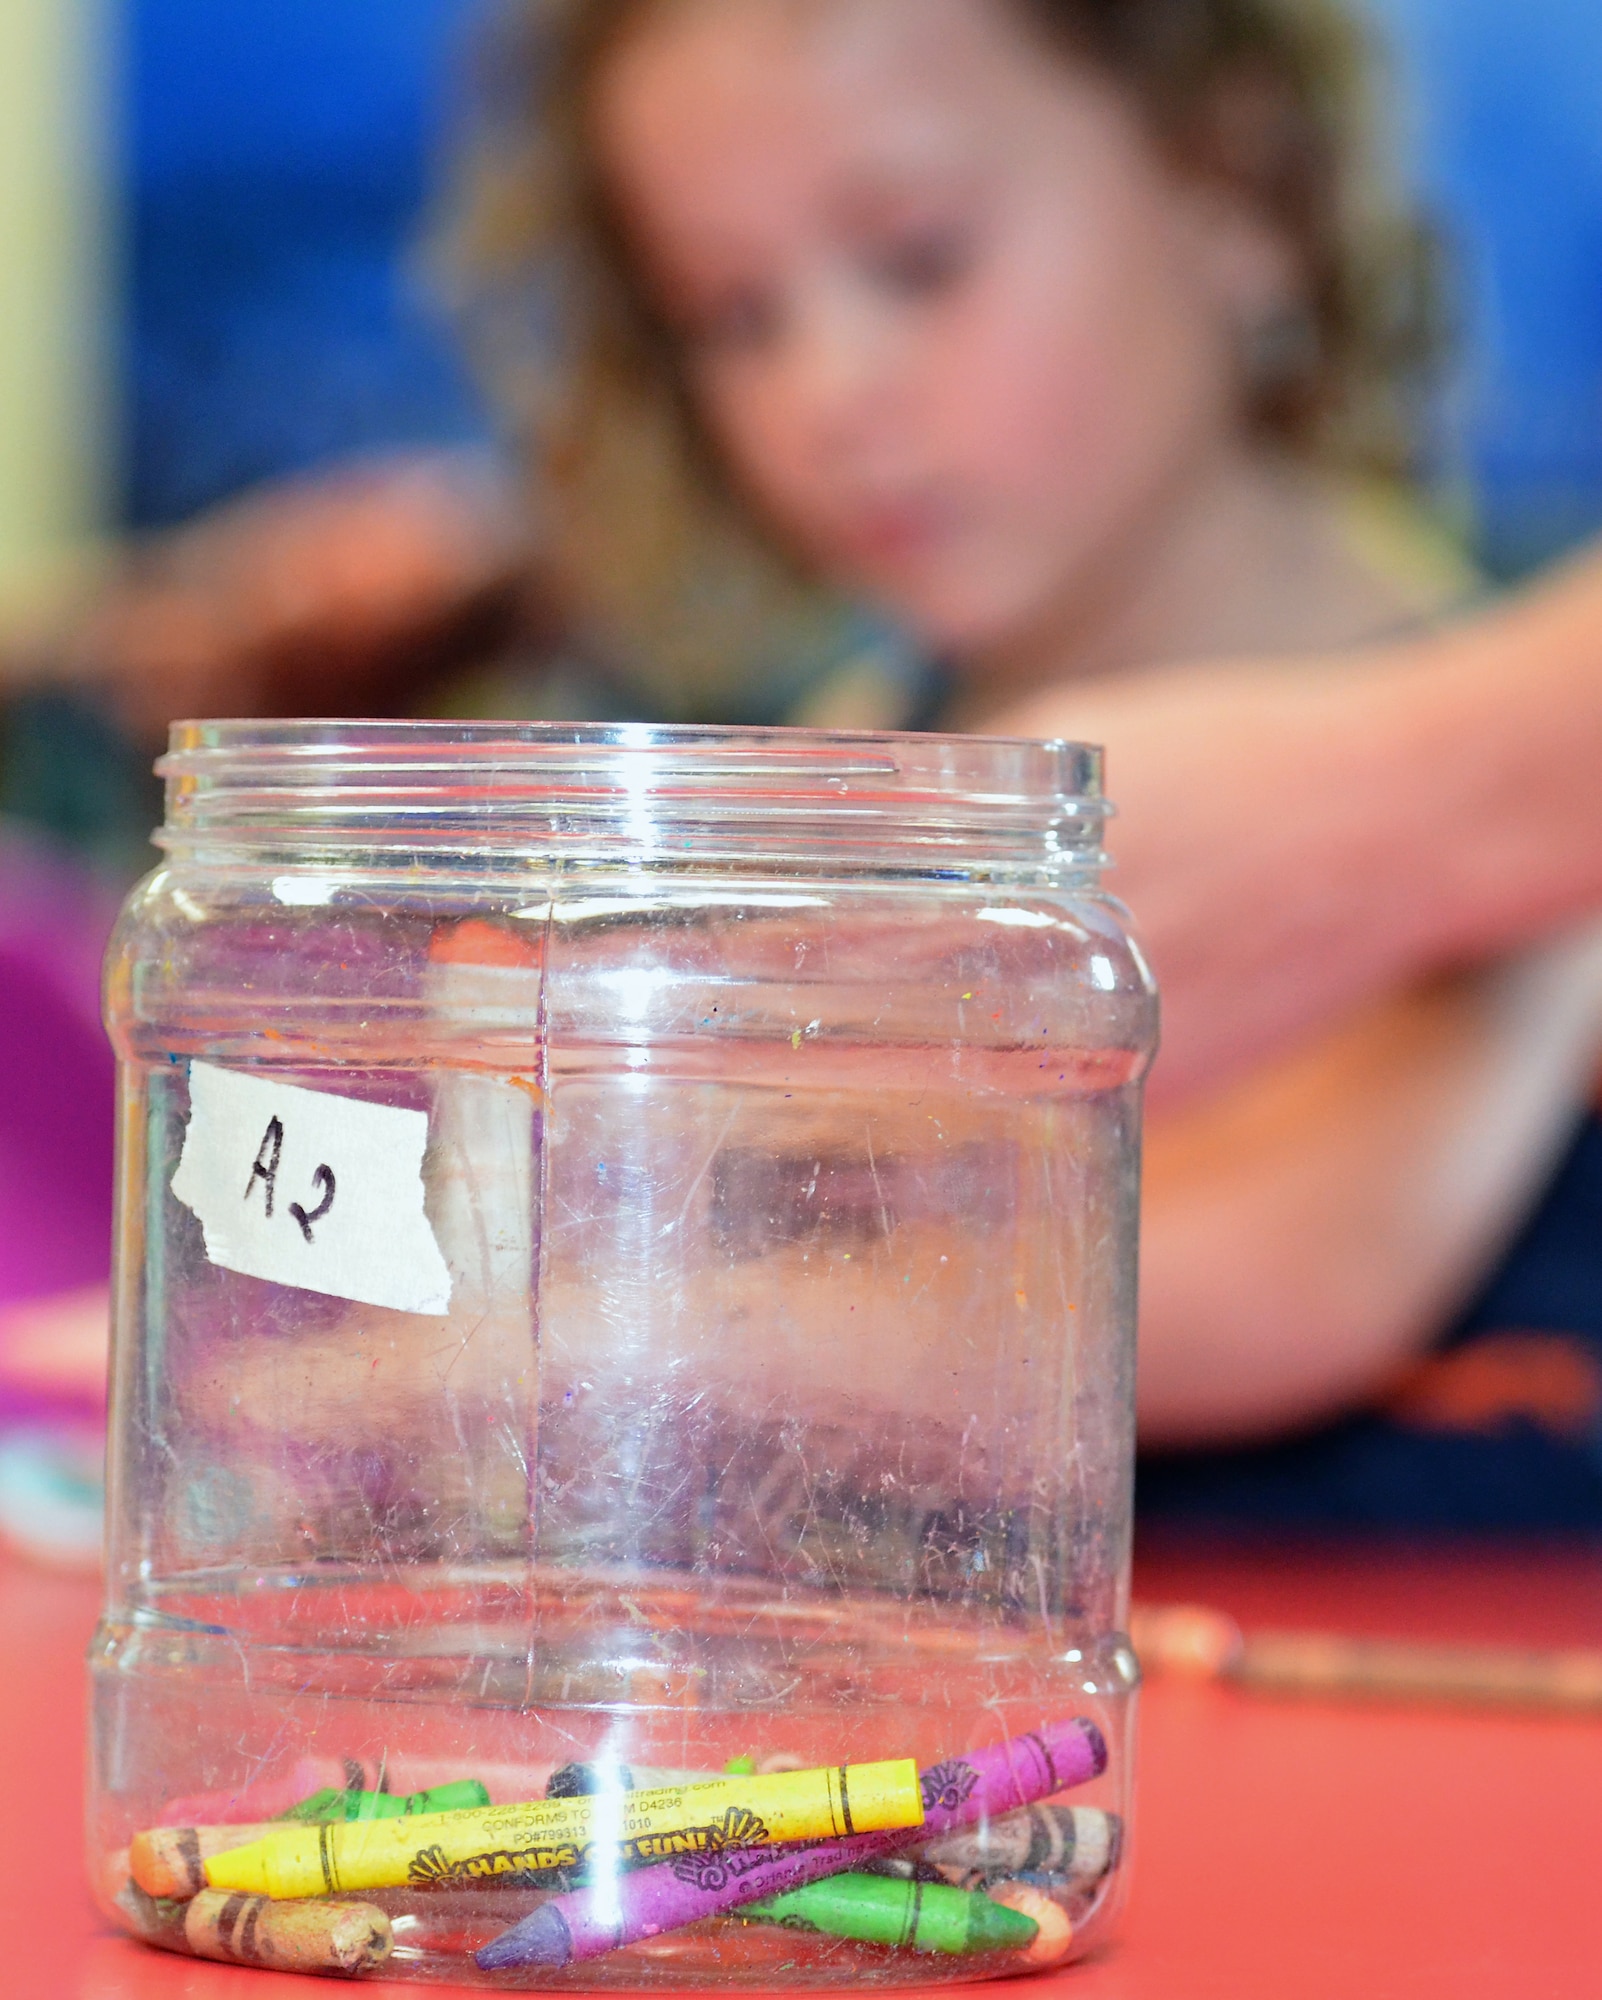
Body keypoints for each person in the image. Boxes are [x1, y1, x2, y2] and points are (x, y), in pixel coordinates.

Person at [9, 0, 1602, 1521]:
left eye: (918, 260)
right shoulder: (817, 790)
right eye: (733, 316)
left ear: (1233, 184)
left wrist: (427, 1371)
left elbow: (1271, 1268)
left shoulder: (1517, 800)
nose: (826, 398)